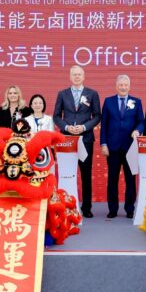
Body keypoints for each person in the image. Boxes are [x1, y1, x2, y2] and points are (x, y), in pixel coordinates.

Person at [53, 65, 102, 218]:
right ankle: (65, 205)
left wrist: (84, 127)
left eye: (79, 74)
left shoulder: (92, 93)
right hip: (66, 140)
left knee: (86, 173)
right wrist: (66, 127)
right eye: (74, 74)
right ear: (70, 77)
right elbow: (56, 116)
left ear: (84, 76)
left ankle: (86, 207)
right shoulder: (62, 94)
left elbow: (97, 116)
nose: (77, 77)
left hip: (85, 138)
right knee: (66, 173)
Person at [100, 75, 144, 219]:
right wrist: (103, 144)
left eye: (125, 85)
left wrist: (137, 130)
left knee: (130, 180)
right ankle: (112, 209)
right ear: (116, 86)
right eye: (121, 85)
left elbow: (141, 121)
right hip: (112, 147)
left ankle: (130, 209)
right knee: (112, 179)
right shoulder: (108, 101)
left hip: (130, 147)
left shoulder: (137, 102)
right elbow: (104, 124)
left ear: (129, 86)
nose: (123, 87)